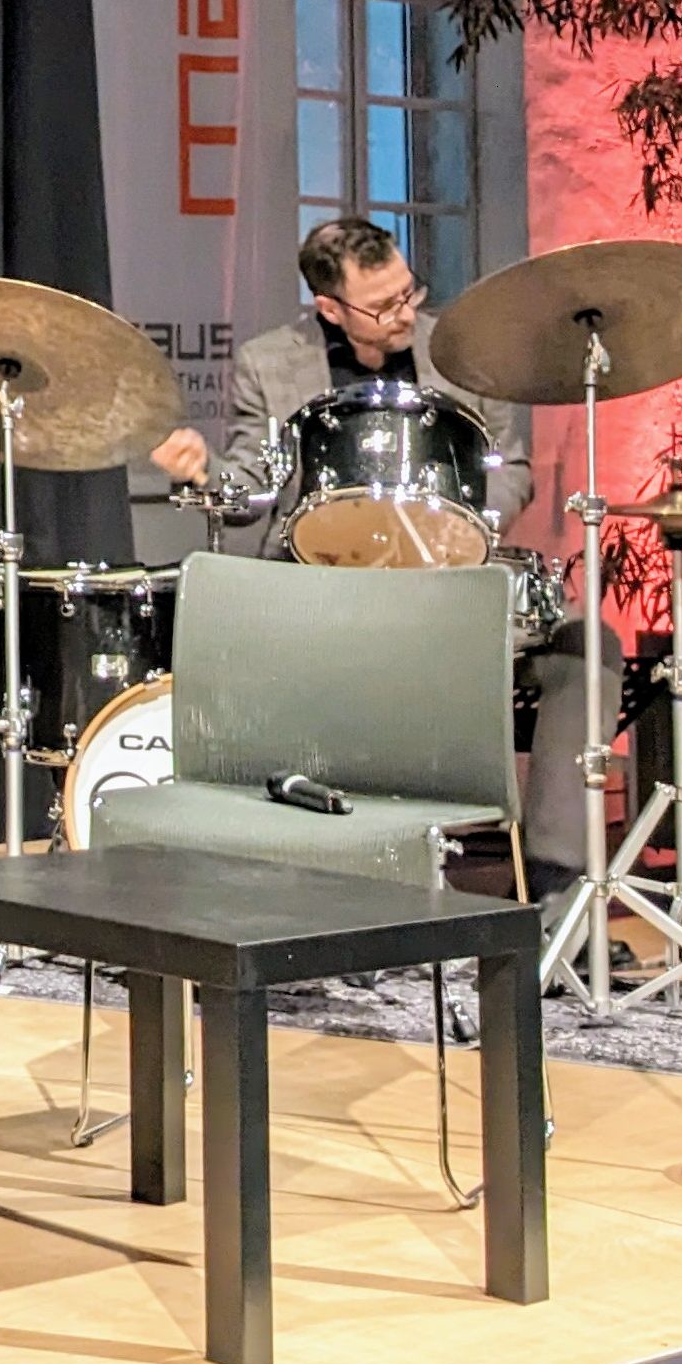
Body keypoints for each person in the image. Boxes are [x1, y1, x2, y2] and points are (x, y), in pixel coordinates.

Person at [148, 215, 588, 909]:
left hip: (449, 586)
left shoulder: (461, 348)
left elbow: (513, 469)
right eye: (382, 306)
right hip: (323, 602)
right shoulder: (272, 362)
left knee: (584, 647)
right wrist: (201, 477)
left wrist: (462, 526)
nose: (403, 315)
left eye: (408, 293)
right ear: (329, 308)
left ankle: (554, 892)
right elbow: (249, 492)